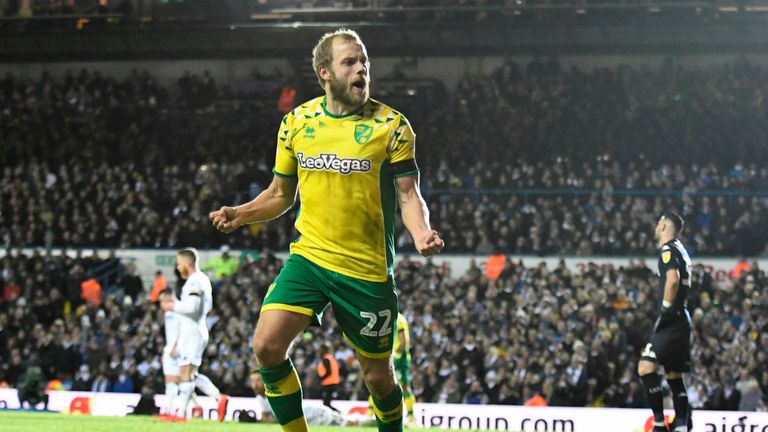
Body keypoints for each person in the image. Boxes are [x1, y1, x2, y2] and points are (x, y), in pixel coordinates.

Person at [210, 28, 444, 432]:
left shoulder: (392, 126)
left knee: (377, 376)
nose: (361, 70)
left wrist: (421, 231)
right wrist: (242, 213)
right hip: (311, 258)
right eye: (350, 62)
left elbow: (408, 195)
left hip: (366, 271)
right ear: (325, 72)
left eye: (364, 62)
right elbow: (281, 194)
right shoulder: (297, 123)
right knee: (266, 346)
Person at [637, 213, 693, 432]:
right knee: (673, 375)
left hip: (672, 319)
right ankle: (680, 426)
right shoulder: (682, 250)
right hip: (682, 319)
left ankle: (659, 425)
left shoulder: (668, 250)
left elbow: (673, 280)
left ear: (663, 226)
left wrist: (666, 309)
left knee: (645, 367)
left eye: (658, 223)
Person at [160, 248, 229, 422]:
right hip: (193, 330)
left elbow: (192, 308)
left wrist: (172, 306)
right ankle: (218, 398)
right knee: (189, 373)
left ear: (188, 264)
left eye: (179, 264)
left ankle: (181, 414)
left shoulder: (194, 281)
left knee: (185, 372)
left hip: (192, 331)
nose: (178, 267)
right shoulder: (200, 280)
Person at [248, 369, 375, 426]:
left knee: (350, 424)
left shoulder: (275, 392)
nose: (255, 384)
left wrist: (255, 421)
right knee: (347, 421)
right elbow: (266, 417)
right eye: (252, 381)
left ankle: (376, 421)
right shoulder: (260, 397)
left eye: (258, 380)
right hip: (309, 418)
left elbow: (280, 420)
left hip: (315, 413)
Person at [158, 288, 181, 416]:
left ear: (169, 297)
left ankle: (173, 409)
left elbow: (183, 329)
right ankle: (168, 410)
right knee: (170, 380)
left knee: (181, 380)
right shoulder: (168, 313)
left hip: (178, 350)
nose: (161, 305)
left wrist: (175, 347)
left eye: (162, 301)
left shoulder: (180, 309)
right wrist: (166, 350)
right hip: (169, 349)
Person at [393, 313, 417, 425]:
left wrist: (395, 354)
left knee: (404, 386)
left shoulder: (399, 319)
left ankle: (411, 416)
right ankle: (369, 412)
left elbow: (403, 341)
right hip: (392, 358)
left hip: (399, 359)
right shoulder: (391, 316)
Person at [316, 344, 341, 413]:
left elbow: (328, 372)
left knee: (326, 403)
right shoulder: (330, 358)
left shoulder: (326, 359)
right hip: (331, 383)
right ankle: (338, 413)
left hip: (328, 383)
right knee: (327, 403)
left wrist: (321, 378)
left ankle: (339, 413)